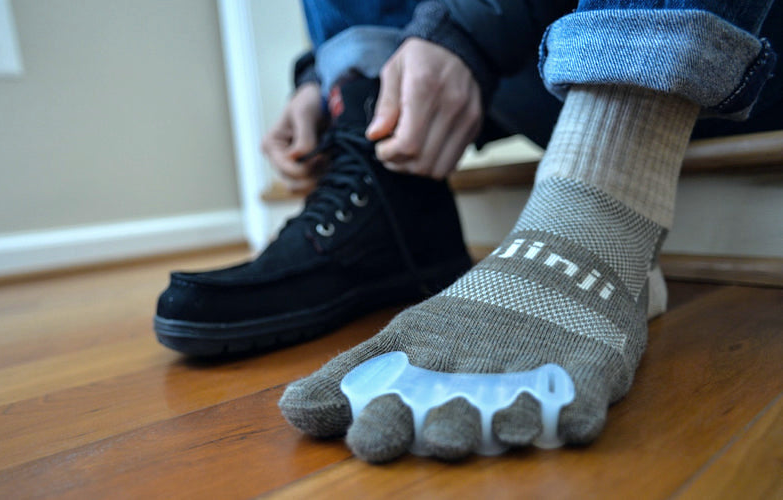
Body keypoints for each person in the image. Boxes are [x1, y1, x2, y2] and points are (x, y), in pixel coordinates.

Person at [157, 0, 781, 462]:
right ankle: (388, 184)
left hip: (738, 46)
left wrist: (462, 29)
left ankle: (608, 191)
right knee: (354, 76)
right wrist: (336, 82)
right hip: (538, 64)